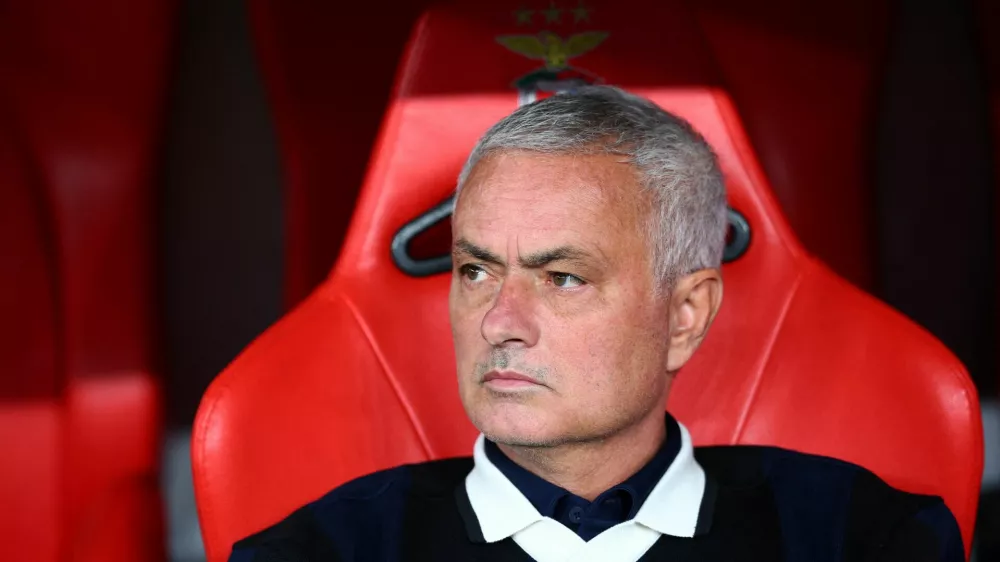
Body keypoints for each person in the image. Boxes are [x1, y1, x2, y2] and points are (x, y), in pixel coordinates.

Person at [228, 86, 964, 561]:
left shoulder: (859, 539)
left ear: (685, 314)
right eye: (475, 271)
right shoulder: (317, 552)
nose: (498, 323)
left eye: (563, 278)